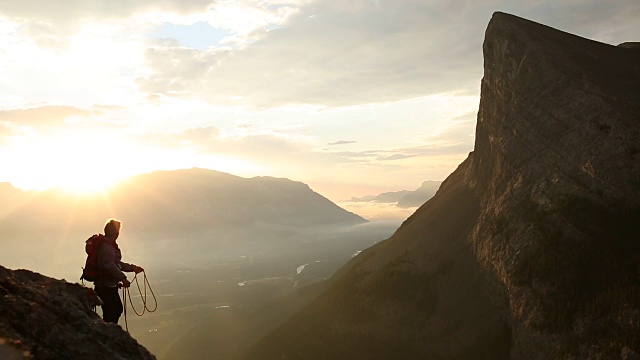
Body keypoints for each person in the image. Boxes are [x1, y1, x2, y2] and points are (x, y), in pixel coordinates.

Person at [94, 218, 144, 324]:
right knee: (112, 312)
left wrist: (132, 268)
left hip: (107, 285)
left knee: (115, 310)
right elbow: (109, 265)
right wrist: (123, 278)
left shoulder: (107, 245)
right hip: (106, 287)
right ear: (116, 233)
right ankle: (108, 335)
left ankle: (108, 333)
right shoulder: (108, 247)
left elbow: (116, 264)